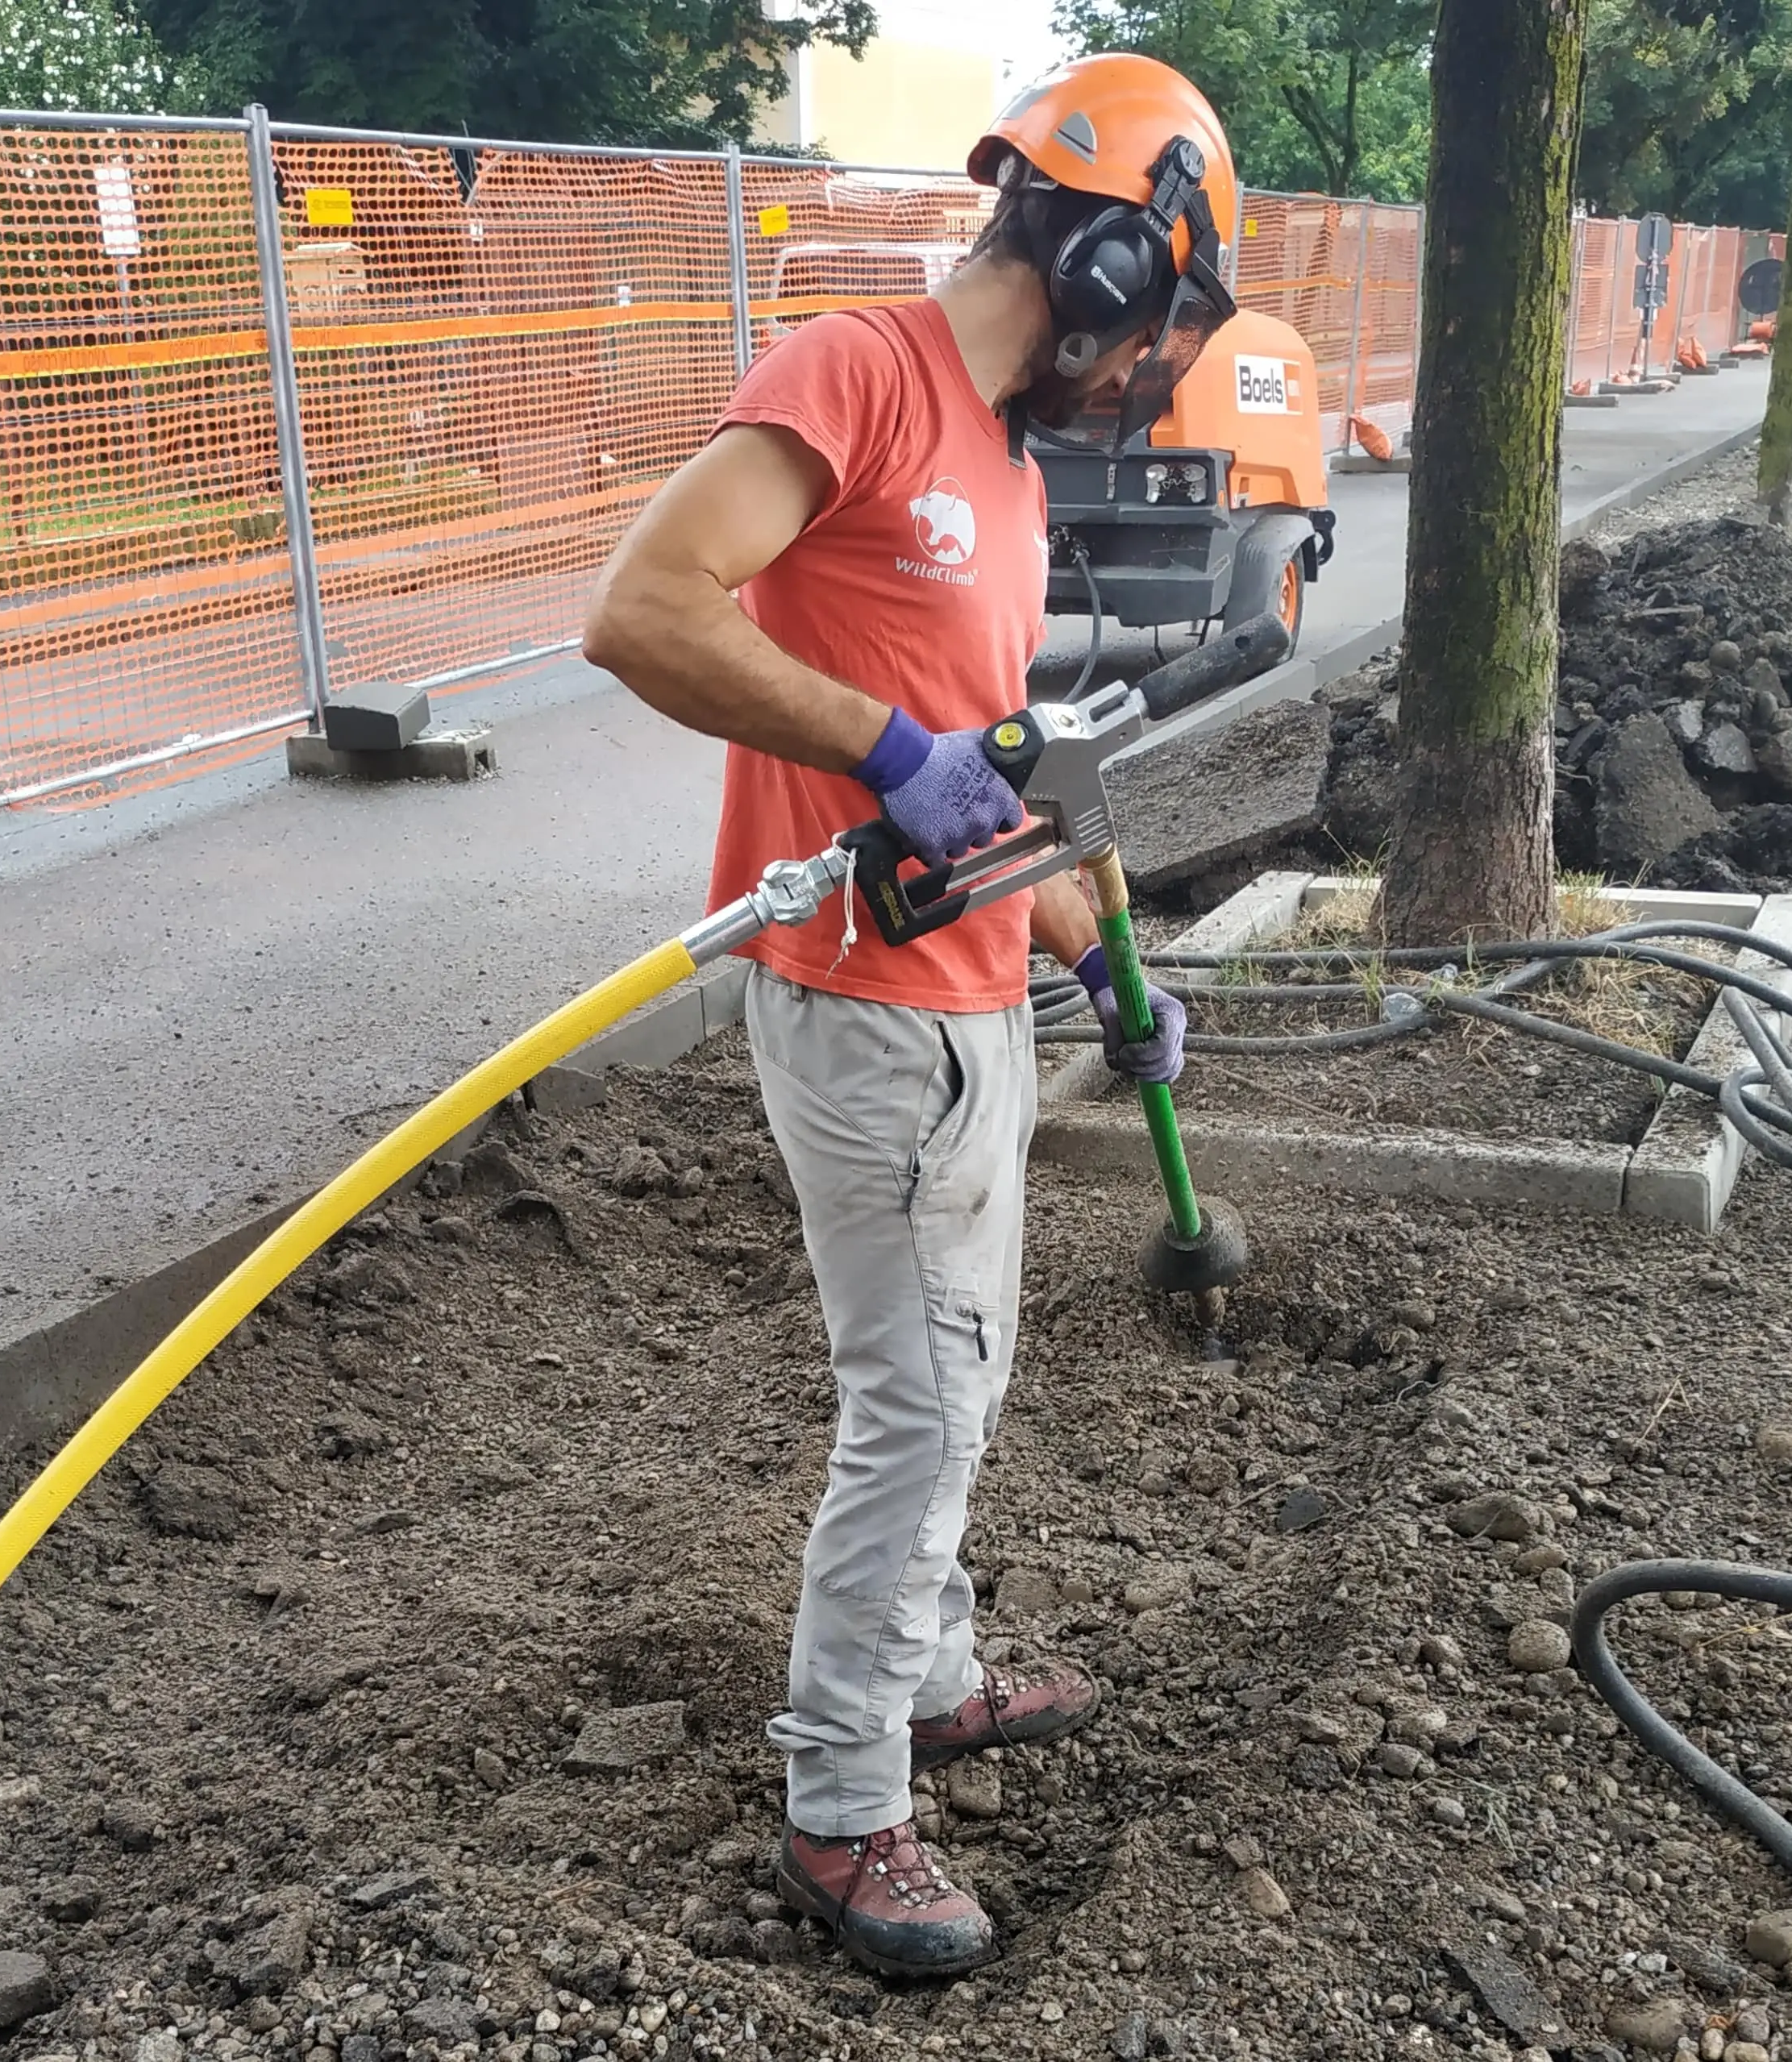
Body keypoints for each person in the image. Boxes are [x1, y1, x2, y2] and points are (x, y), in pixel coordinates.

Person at [582, 53, 1239, 1980]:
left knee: (965, 1376)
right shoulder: (861, 374)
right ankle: (843, 1794)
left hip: (971, 1004)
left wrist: (1103, 954)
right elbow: (641, 609)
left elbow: (1006, 789)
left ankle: (927, 1670)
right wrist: (885, 753)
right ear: (1115, 262)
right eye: (1166, 319)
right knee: (916, 1409)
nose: (1149, 369)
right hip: (863, 1007)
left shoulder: (1010, 477)